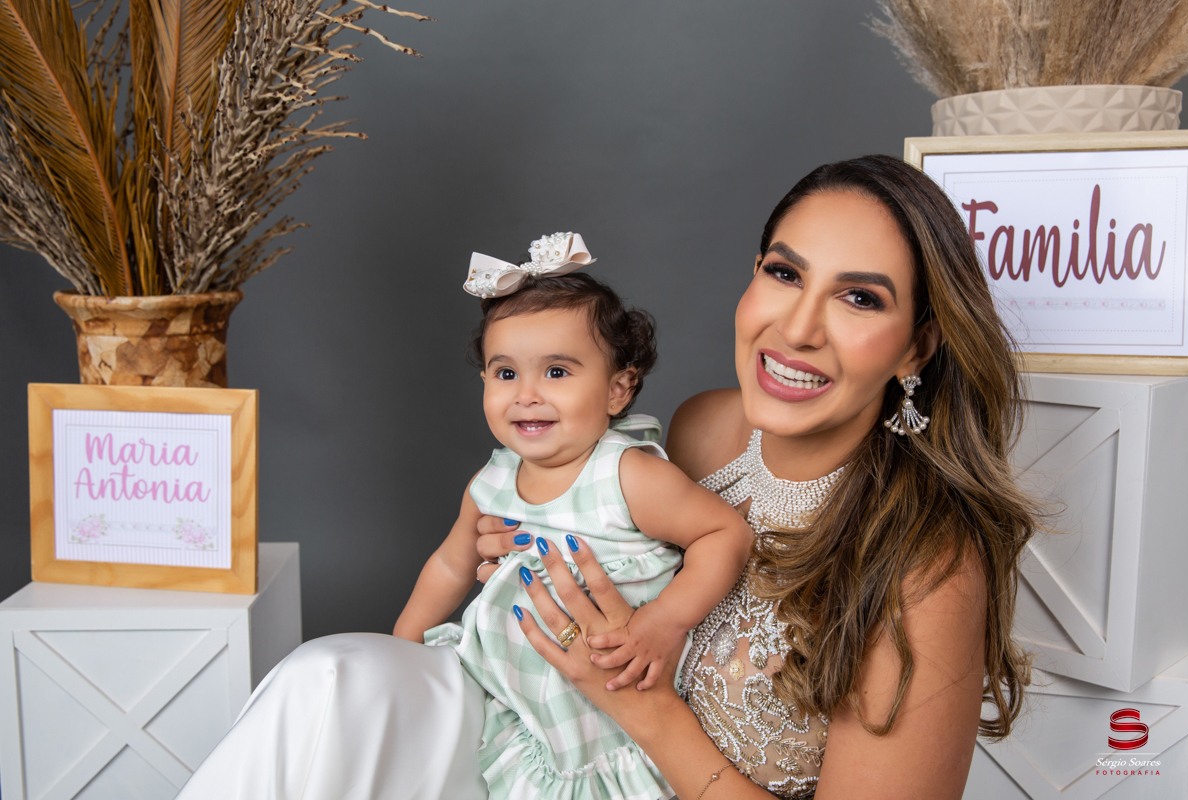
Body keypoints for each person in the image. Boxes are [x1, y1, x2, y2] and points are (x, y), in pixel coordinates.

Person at [177, 155, 1035, 800]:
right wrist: (518, 542)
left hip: (626, 767)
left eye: (860, 299)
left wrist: (642, 704)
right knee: (327, 682)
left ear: (918, 346)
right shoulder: (706, 430)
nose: (798, 328)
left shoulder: (929, 565)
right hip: (535, 741)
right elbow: (591, 508)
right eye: (784, 273)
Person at [392, 234, 753, 799]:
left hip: (620, 712)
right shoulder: (491, 481)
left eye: (556, 372)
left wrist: (665, 621)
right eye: (506, 374)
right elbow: (449, 565)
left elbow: (724, 532)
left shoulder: (626, 474)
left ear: (617, 390)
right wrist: (400, 650)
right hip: (527, 704)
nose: (527, 395)